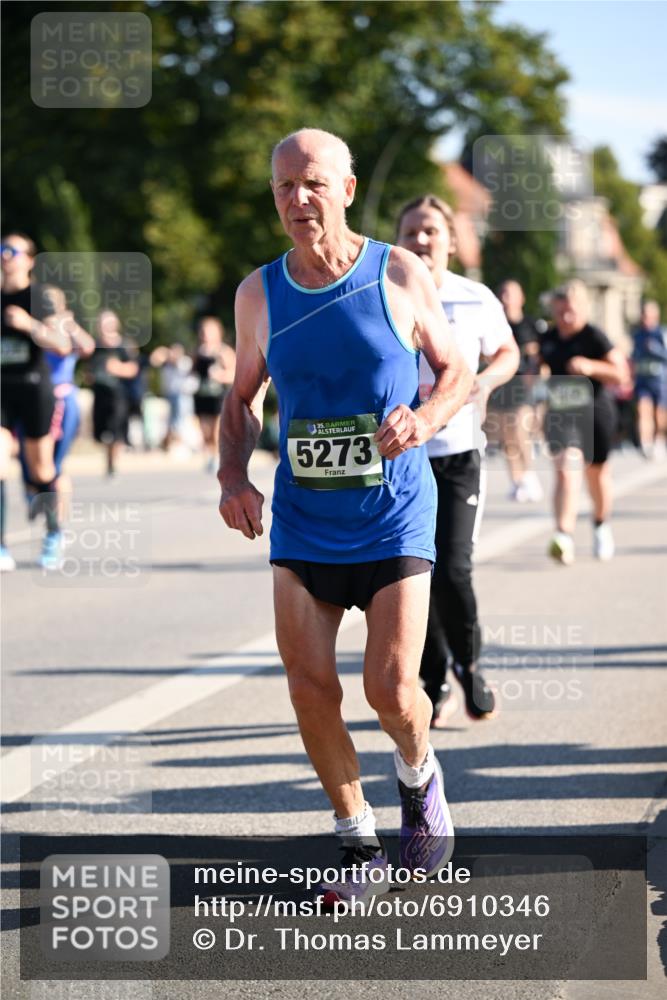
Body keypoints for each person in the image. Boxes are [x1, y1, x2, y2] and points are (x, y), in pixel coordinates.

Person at [218, 129, 472, 903]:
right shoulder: (259, 292)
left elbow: (455, 369)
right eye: (283, 187)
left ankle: (417, 773)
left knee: (391, 689)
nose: (298, 200)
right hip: (303, 517)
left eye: (313, 184)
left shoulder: (396, 271)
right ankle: (356, 841)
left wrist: (424, 421)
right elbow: (241, 399)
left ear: (348, 189)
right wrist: (233, 473)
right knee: (307, 683)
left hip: (393, 510)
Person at [396, 196, 519, 727]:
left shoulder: (475, 298)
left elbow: (507, 353)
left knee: (452, 569)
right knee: (411, 574)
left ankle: (469, 665)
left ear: (449, 239)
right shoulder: (384, 293)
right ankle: (431, 679)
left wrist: (485, 382)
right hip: (402, 456)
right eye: (411, 232)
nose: (421, 241)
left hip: (457, 455)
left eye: (430, 231)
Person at [541, 280, 627, 564]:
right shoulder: (550, 339)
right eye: (561, 312)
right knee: (566, 469)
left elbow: (621, 373)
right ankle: (563, 535)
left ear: (583, 310)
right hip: (560, 414)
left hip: (595, 412)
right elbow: (538, 371)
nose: (566, 318)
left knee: (596, 475)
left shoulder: (594, 337)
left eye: (572, 312)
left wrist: (591, 366)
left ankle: (601, 524)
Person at [1, 233, 71, 571]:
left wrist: (28, 324)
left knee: (42, 469)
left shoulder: (39, 296)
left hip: (33, 388)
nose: (5, 256)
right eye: (2, 250)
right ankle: (1, 547)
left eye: (12, 250)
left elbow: (61, 343)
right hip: (2, 390)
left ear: (29, 260)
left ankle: (54, 534)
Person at [18, 285, 95, 518]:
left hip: (61, 400)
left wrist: (69, 324)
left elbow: (87, 347)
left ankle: (55, 528)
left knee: (55, 467)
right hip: (31, 397)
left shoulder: (64, 327)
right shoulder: (31, 325)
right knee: (29, 464)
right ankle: (37, 497)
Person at [493, 279, 543, 502]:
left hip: (525, 384)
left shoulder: (531, 325)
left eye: (511, 293)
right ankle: (516, 480)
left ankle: (529, 475)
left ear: (521, 298)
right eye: (503, 293)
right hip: (502, 383)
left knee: (519, 429)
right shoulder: (495, 324)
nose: (506, 298)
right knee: (506, 436)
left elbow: (541, 358)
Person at [89, 310, 139, 477]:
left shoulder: (124, 345)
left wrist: (117, 368)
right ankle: (109, 460)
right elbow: (89, 369)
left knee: (115, 430)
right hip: (100, 394)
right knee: (103, 432)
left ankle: (113, 463)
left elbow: (134, 369)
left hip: (118, 395)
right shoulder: (95, 346)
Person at [193, 316, 236, 472]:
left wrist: (220, 376)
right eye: (203, 331)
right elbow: (192, 372)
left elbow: (235, 374)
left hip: (219, 395)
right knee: (205, 430)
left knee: (218, 429)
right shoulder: (198, 352)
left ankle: (220, 458)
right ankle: (210, 456)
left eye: (209, 331)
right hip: (202, 395)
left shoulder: (224, 352)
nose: (205, 335)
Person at [631, 300, 667, 459]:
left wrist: (654, 349)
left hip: (659, 380)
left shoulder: (661, 333)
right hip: (642, 379)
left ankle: (659, 439)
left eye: (647, 315)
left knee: (659, 414)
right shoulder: (638, 335)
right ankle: (646, 444)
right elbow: (633, 355)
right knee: (642, 409)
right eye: (643, 315)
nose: (644, 318)